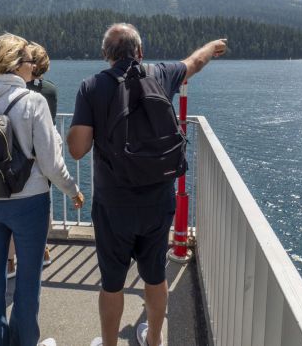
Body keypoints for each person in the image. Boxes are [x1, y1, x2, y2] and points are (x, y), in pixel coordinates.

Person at [67, 23, 227, 346]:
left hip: (113, 206)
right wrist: (213, 46)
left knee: (112, 283)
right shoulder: (161, 74)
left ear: (106, 56)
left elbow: (77, 149)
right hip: (158, 202)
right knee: (154, 276)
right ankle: (154, 338)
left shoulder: (91, 87)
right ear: (140, 52)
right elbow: (194, 62)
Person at [0, 33, 85, 346]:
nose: (34, 67)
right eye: (30, 61)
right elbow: (50, 162)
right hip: (28, 203)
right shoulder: (34, 102)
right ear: (17, 64)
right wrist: (72, 190)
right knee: (27, 285)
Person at [25, 42, 58, 267]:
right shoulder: (47, 90)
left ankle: (9, 260)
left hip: (7, 158)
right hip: (39, 158)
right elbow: (50, 126)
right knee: (41, 204)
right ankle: (42, 249)